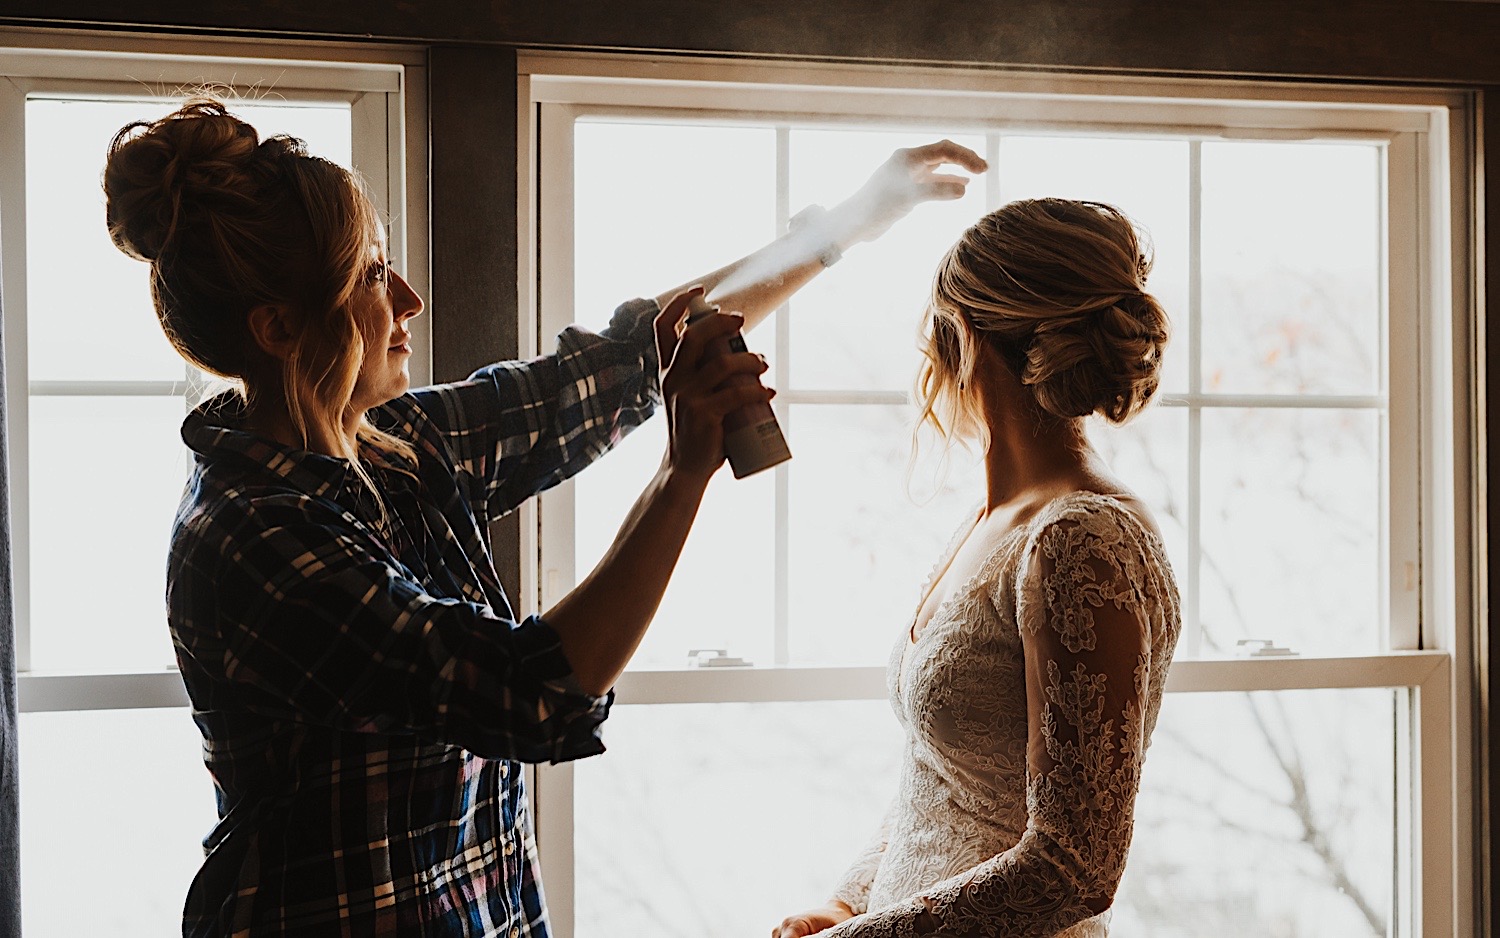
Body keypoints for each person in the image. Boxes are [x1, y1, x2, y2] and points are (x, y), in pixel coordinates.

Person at [101, 96, 984, 937]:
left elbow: (629, 357)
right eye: (369, 275)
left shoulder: (394, 446)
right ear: (278, 328)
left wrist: (840, 229)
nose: (408, 300)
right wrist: (681, 473)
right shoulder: (253, 540)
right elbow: (533, 693)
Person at [773, 199, 1182, 938]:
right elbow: (948, 780)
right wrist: (850, 899)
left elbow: (1074, 867)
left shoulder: (1082, 539)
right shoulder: (992, 521)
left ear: (959, 337)